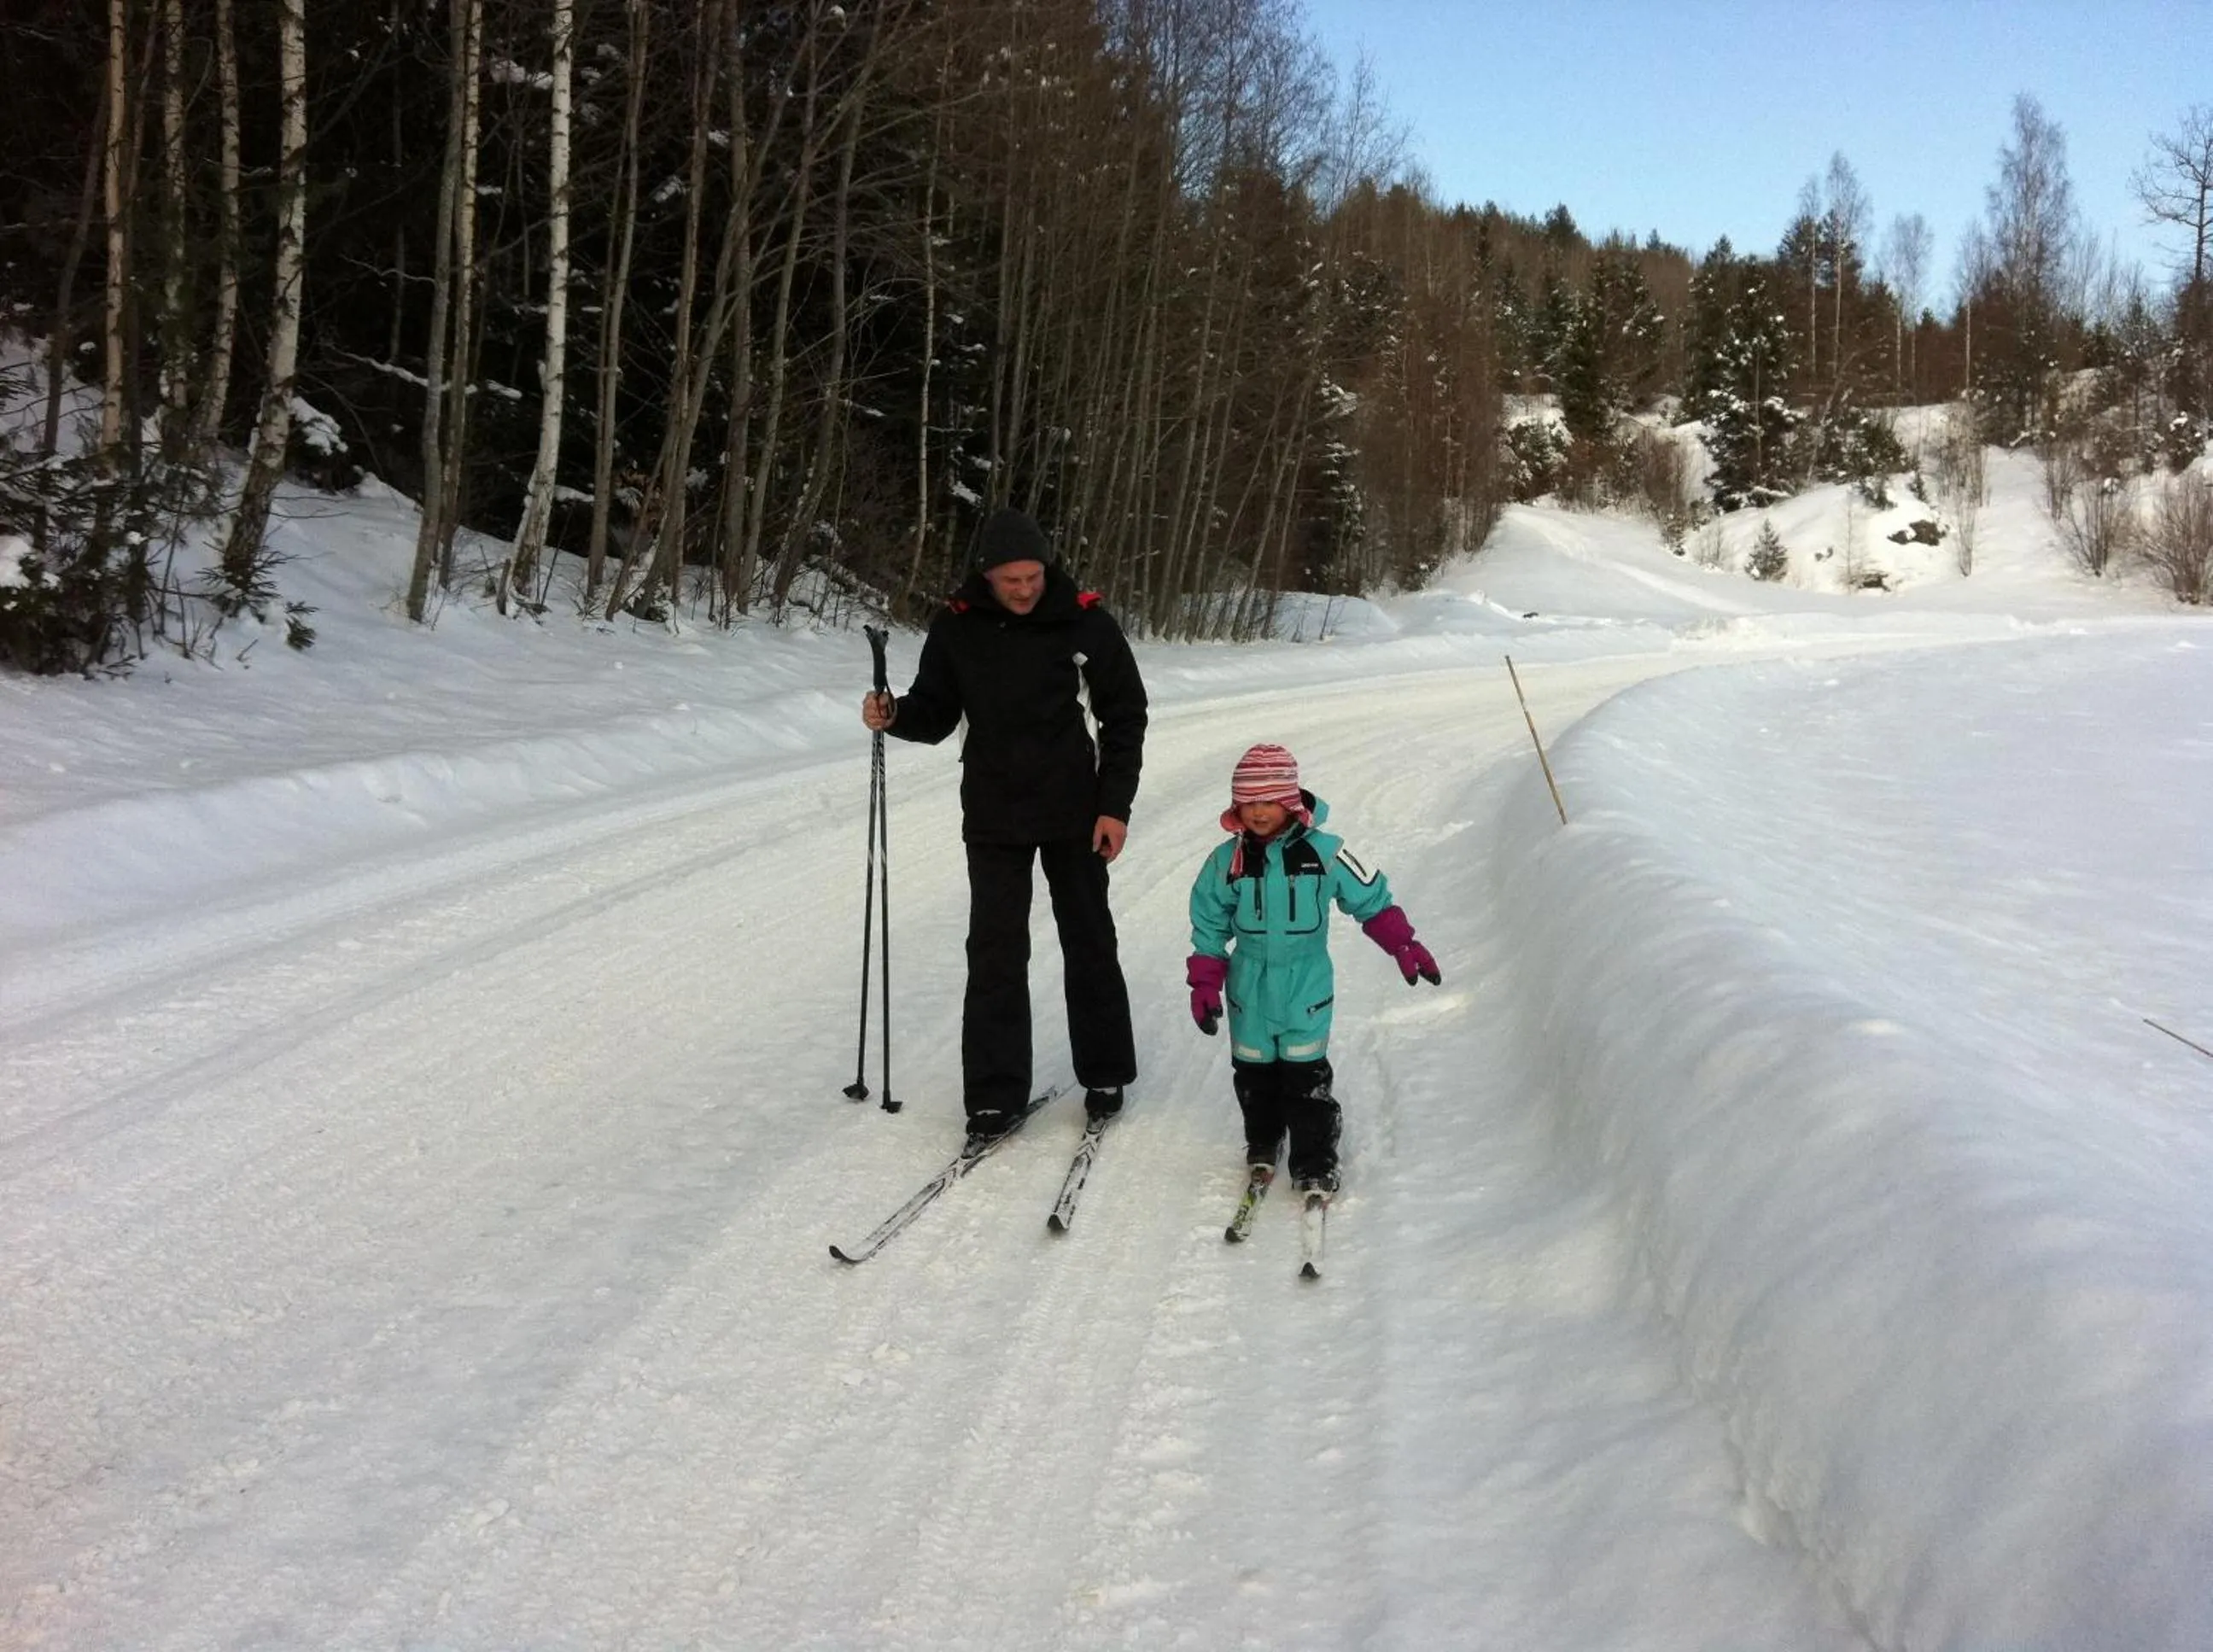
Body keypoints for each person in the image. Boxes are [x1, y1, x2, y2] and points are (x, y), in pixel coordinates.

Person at [861, 506, 1147, 1146]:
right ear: (986, 575)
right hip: (992, 812)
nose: (1024, 589)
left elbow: (1125, 716)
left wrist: (1114, 806)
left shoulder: (1086, 621)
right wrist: (894, 713)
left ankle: (1104, 1072)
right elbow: (935, 713)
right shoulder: (958, 628)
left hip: (1076, 810)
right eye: (1010, 579)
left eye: (1033, 576)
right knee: (994, 951)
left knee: (1088, 938)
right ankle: (993, 1096)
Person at [1184, 743, 1441, 1194]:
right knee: (1253, 1073)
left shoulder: (1326, 853)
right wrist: (1205, 980)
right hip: (1250, 987)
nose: (1258, 813)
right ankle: (1263, 1140)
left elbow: (1370, 898)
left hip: (1306, 985)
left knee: (1306, 1078)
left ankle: (1315, 1158)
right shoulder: (1226, 861)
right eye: (1248, 803)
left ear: (1289, 801)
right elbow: (1208, 921)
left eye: (1268, 801)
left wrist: (1403, 943)